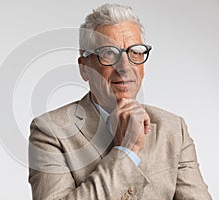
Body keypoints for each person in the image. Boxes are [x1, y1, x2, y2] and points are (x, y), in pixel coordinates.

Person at [28, 3, 212, 200]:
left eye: (135, 51)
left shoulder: (174, 129)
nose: (125, 66)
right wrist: (126, 152)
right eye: (108, 53)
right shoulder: (50, 131)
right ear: (84, 68)